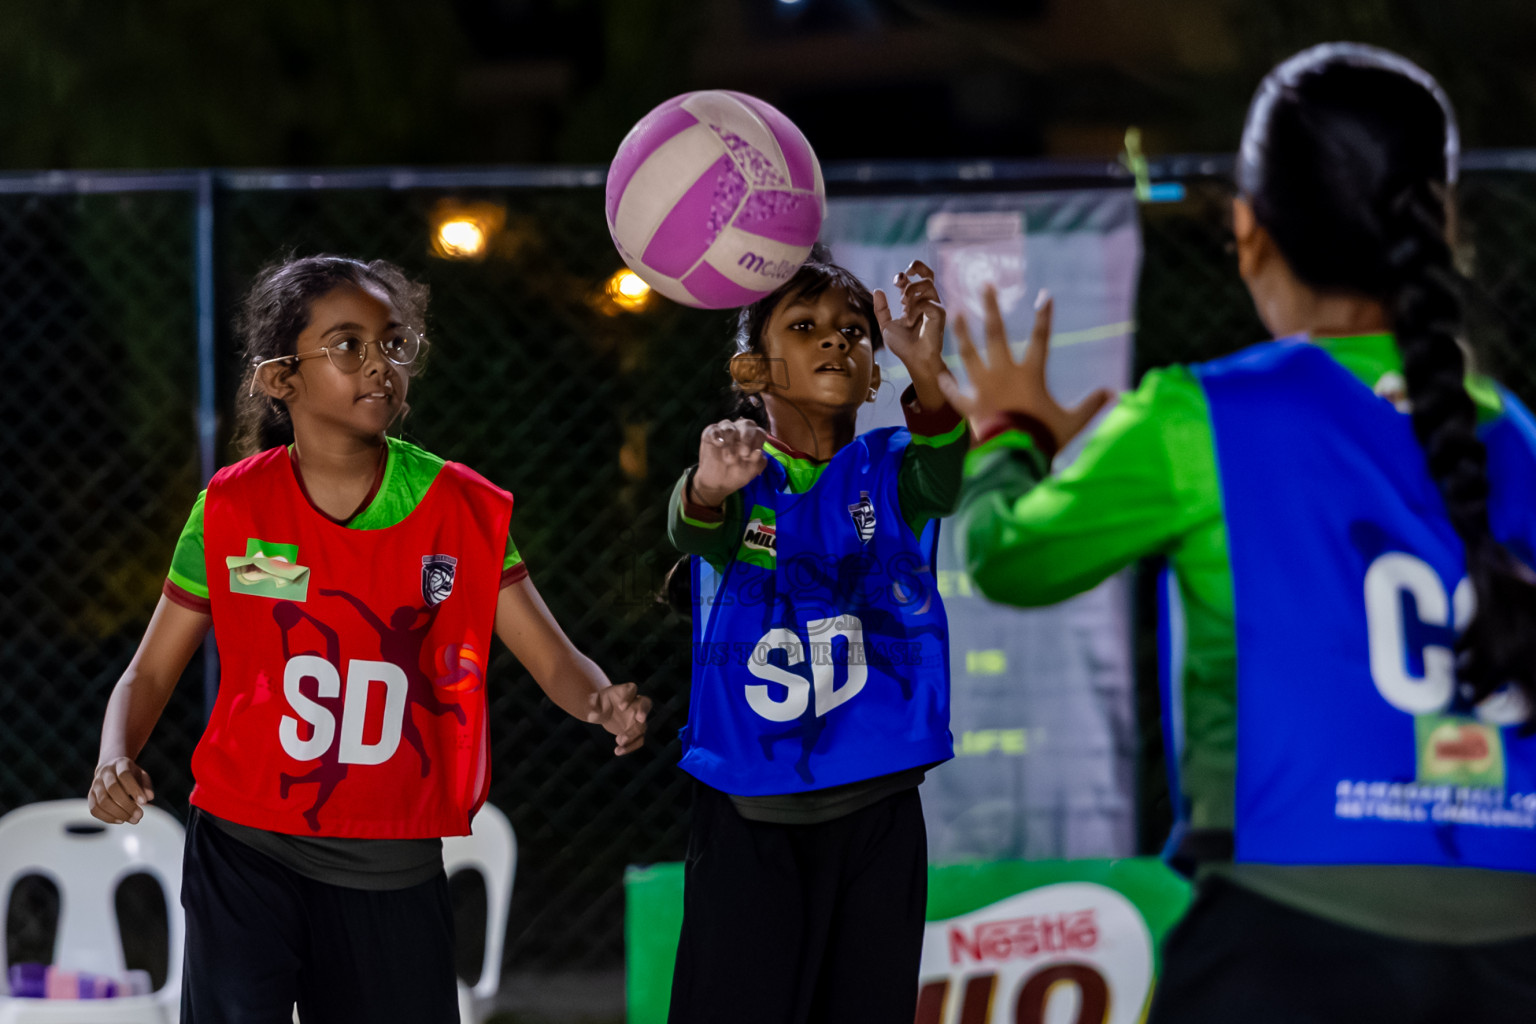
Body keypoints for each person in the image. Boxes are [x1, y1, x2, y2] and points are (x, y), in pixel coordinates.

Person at [938, 43, 1536, 1022]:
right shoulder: (1518, 433)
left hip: (1294, 928)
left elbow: (1010, 557)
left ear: (1250, 231)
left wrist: (1010, 435)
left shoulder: (1197, 416)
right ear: (1445, 221)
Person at [86, 255, 650, 1024]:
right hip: (248, 840)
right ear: (282, 377)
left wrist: (599, 701)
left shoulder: (459, 507)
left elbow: (550, 655)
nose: (379, 364)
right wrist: (116, 751)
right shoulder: (232, 508)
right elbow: (147, 673)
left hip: (392, 853)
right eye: (348, 346)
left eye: (393, 343)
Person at [663, 248, 967, 1024]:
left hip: (878, 805)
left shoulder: (892, 468)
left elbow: (946, 469)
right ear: (755, 372)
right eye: (805, 327)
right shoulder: (735, 470)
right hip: (749, 811)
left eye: (855, 331)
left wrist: (924, 371)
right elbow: (692, 524)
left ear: (873, 376)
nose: (837, 340)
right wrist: (706, 486)